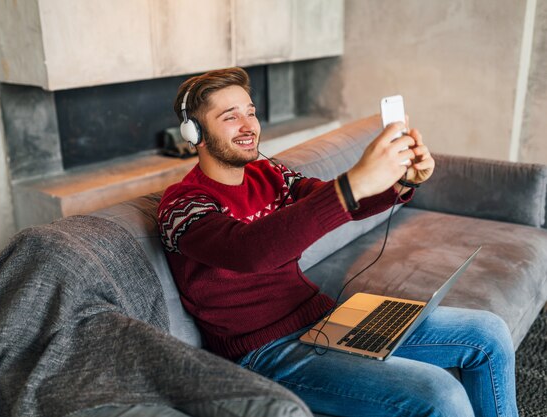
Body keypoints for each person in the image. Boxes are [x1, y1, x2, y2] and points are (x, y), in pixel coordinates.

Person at [157, 67, 518, 417]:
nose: (249, 125)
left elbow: (328, 199)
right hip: (265, 352)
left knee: (487, 334)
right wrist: (352, 184)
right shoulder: (183, 204)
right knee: (439, 393)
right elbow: (249, 251)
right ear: (195, 133)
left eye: (251, 113)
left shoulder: (270, 174)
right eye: (230, 116)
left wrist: (400, 183)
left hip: (324, 317)